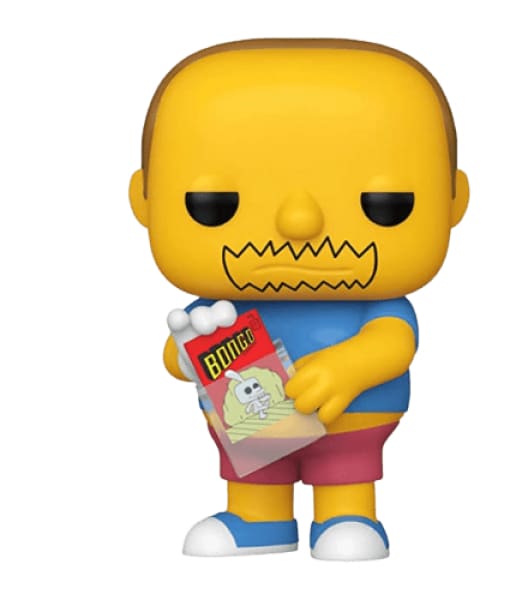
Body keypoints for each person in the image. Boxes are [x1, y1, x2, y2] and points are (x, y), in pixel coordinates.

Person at [129, 39, 469, 560]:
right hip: (249, 431)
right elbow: (176, 359)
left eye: (384, 204)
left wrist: (348, 367)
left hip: (355, 423)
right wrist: (186, 353)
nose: (300, 223)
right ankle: (256, 519)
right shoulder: (217, 308)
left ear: (453, 200)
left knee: (345, 473)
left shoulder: (378, 303)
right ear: (144, 201)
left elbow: (394, 343)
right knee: (256, 469)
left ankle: (347, 513)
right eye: (214, 205)